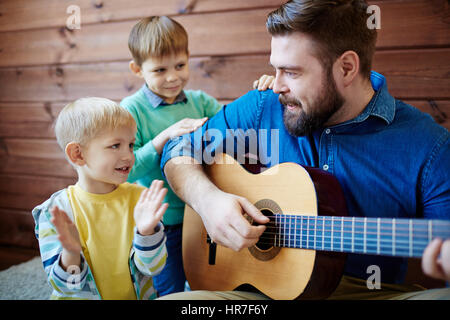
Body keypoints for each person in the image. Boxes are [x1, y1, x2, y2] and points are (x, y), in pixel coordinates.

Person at [159, 0, 450, 299]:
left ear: (346, 68)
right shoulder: (264, 107)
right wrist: (208, 202)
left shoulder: (430, 147)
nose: (276, 85)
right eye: (275, 69)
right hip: (261, 294)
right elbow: (179, 149)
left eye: (291, 72)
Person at [120, 16, 274, 296]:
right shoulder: (132, 110)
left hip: (203, 212)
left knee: (206, 281)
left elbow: (234, 137)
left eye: (180, 65)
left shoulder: (200, 101)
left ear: (189, 57)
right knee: (170, 288)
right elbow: (127, 170)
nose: (172, 77)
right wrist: (162, 139)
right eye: (159, 70)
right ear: (137, 69)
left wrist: (261, 93)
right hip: (162, 223)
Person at [32, 97, 168, 300]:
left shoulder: (141, 201)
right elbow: (66, 288)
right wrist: (70, 253)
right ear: (78, 154)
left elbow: (153, 268)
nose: (129, 156)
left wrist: (146, 233)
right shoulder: (55, 212)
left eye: (130, 145)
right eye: (115, 145)